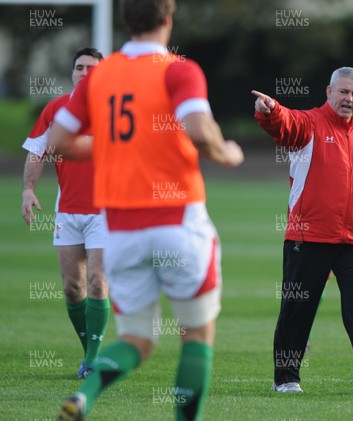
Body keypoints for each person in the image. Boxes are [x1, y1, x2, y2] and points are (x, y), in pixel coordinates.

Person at [49, 0, 244, 420]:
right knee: (196, 335)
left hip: (119, 230)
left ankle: (85, 394)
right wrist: (226, 153)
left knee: (136, 339)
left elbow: (59, 142)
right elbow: (199, 130)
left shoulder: (99, 77)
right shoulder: (179, 69)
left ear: (125, 21)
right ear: (169, 19)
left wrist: (113, 147)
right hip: (178, 221)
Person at [253, 66, 353, 395]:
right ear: (329, 92)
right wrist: (271, 112)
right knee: (297, 309)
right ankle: (286, 377)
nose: (350, 98)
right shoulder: (310, 123)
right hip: (309, 236)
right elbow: (285, 126)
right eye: (344, 92)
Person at [21, 47, 109, 379]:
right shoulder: (57, 109)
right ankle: (90, 352)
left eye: (92, 68)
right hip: (67, 212)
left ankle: (92, 360)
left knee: (98, 282)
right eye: (79, 68)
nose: (85, 73)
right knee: (73, 288)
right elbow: (36, 150)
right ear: (73, 73)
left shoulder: (115, 111)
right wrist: (28, 189)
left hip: (106, 211)